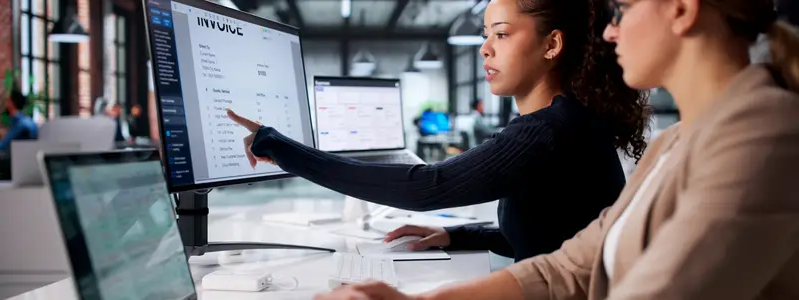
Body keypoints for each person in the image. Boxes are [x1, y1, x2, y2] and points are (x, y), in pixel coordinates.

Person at [312, 0, 799, 299]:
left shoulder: (763, 135)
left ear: (681, 8)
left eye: (624, 9)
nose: (610, 32)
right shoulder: (673, 142)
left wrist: (282, 149)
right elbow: (573, 264)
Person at [228, 0, 649, 263]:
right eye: (486, 35)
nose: (485, 48)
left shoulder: (548, 131)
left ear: (551, 45)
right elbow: (553, 235)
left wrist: (279, 147)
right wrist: (453, 234)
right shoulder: (570, 120)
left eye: (501, 34)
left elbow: (427, 186)